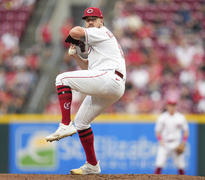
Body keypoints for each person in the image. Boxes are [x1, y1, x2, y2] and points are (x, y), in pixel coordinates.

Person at [45, 7, 126, 175]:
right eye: (87, 19)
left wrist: (74, 35)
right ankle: (92, 165)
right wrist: (76, 56)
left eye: (93, 19)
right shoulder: (96, 42)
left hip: (110, 78)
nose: (90, 22)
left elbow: (75, 31)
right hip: (109, 81)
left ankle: (65, 124)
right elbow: (88, 67)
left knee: (61, 79)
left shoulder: (101, 32)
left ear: (101, 21)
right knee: (81, 123)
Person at [154, 98, 189, 175]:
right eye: (170, 105)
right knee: (159, 164)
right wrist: (160, 140)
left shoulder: (180, 117)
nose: (172, 107)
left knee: (181, 166)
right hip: (164, 144)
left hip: (176, 143)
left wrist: (183, 142)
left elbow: (186, 130)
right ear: (167, 106)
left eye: (174, 105)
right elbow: (157, 131)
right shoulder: (162, 117)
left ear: (176, 106)